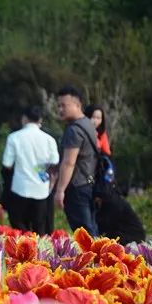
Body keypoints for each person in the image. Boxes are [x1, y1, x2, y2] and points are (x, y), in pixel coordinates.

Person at [1, 106, 60, 235]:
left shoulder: (14, 138)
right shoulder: (50, 140)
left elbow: (7, 164)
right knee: (40, 231)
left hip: (20, 188)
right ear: (40, 120)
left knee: (20, 230)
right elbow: (54, 165)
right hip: (42, 189)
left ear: (24, 119)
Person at [54, 86, 100, 237]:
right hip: (88, 183)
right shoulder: (88, 125)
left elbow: (69, 162)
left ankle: (97, 260)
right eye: (58, 106)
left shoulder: (74, 130)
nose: (60, 109)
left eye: (64, 105)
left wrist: (60, 190)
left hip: (76, 187)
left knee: (84, 234)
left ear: (77, 105)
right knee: (90, 228)